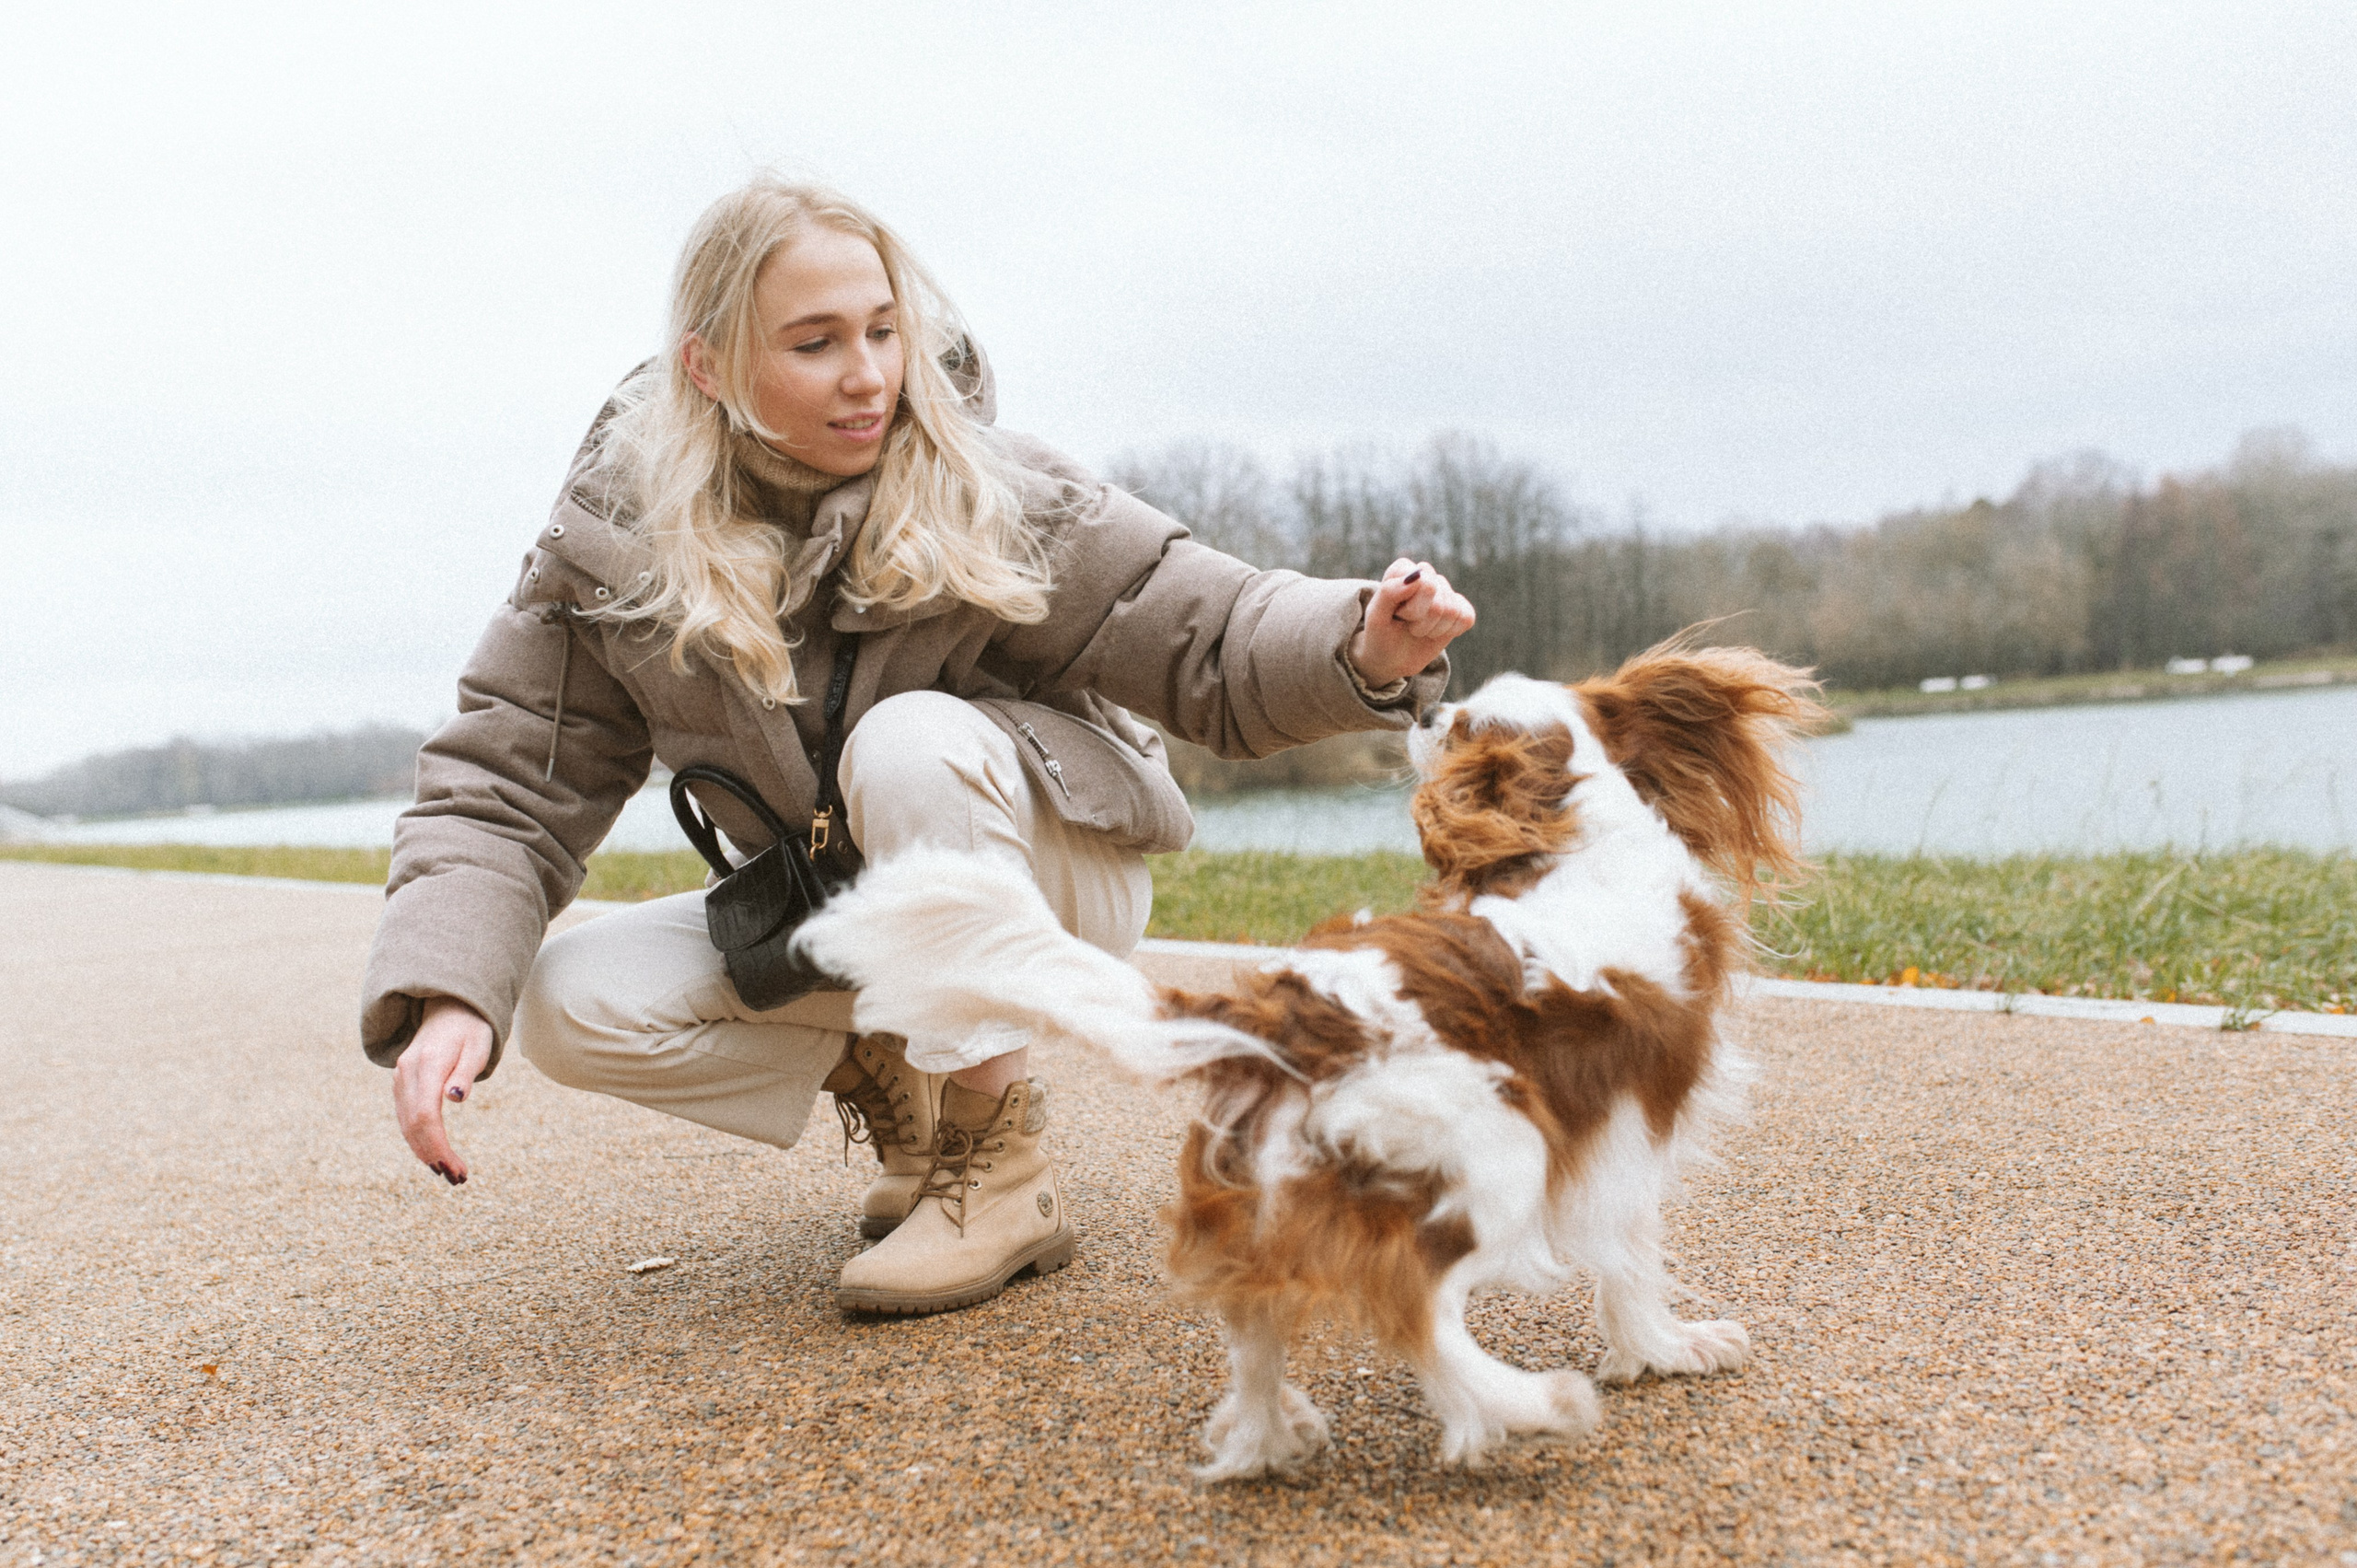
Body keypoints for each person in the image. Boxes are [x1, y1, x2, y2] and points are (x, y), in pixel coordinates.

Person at [360, 175, 1475, 1317]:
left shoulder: (994, 489)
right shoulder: (618, 545)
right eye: (815, 342)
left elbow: (1211, 627)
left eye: (883, 330)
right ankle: (898, 1069)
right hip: (845, 905)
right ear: (708, 368)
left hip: (1049, 883)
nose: (868, 374)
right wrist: (450, 992)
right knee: (572, 1001)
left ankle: (998, 1164)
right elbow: (506, 780)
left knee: (909, 743)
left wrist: (1362, 640)